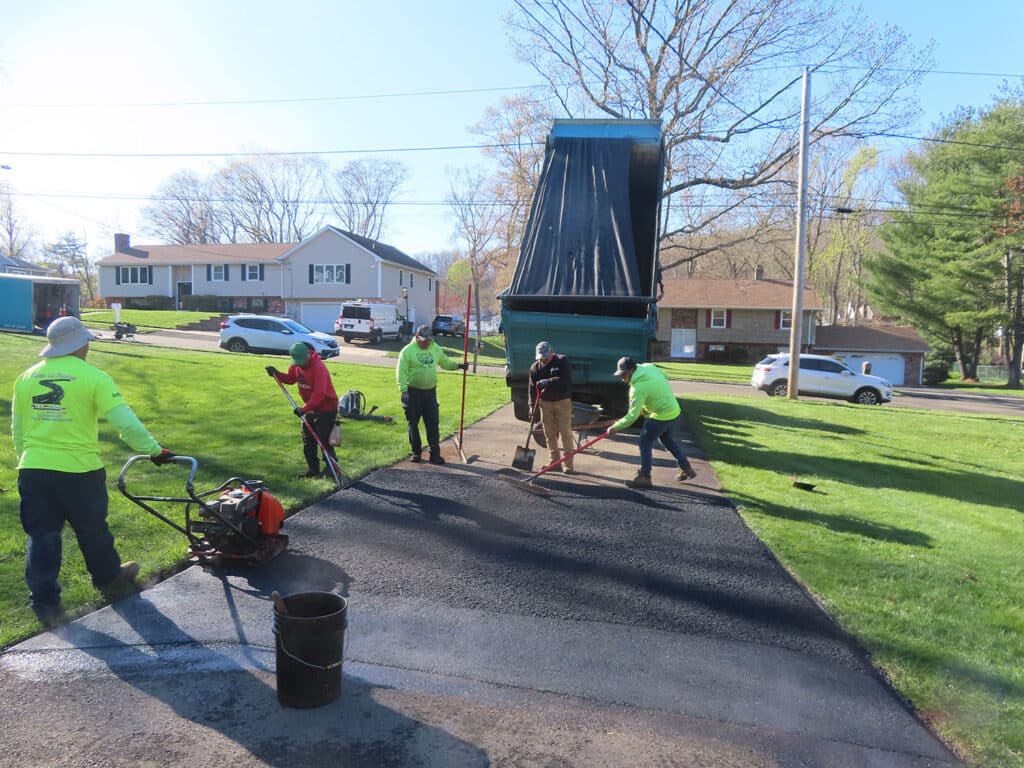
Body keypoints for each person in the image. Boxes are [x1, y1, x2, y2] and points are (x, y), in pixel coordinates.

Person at [11, 316, 174, 628]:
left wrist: (27, 460)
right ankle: (109, 577)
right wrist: (155, 451)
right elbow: (124, 423)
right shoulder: (93, 377)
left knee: (42, 537)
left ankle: (46, 605)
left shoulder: (27, 377)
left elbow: (18, 430)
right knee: (92, 529)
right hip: (80, 472)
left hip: (33, 470)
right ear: (79, 344)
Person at [605, 356, 696, 489]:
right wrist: (649, 403)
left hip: (661, 415)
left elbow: (632, 416)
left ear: (631, 371)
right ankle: (686, 468)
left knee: (644, 442)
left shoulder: (637, 388)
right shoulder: (649, 367)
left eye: (623, 375)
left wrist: (616, 427)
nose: (622, 378)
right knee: (666, 440)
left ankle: (645, 477)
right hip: (674, 409)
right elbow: (664, 376)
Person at [266, 342, 339, 479]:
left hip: (327, 407)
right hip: (311, 407)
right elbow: (290, 379)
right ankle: (313, 470)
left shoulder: (319, 368)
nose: (299, 365)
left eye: (301, 361)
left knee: (323, 438)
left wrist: (304, 409)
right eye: (296, 362)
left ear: (307, 355)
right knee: (307, 438)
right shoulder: (296, 365)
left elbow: (319, 393)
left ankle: (332, 468)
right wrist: (276, 373)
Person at [396, 324, 468, 465]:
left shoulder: (435, 349)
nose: (426, 342)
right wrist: (403, 390)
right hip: (412, 392)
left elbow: (445, 362)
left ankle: (435, 454)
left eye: (428, 340)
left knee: (433, 423)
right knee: (413, 423)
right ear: (417, 337)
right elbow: (401, 372)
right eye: (423, 340)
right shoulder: (407, 351)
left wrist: (458, 365)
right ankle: (416, 452)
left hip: (430, 393)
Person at [529, 341, 576, 474]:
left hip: (563, 402)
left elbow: (566, 380)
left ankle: (568, 465)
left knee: (565, 433)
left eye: (546, 355)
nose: (544, 359)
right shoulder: (535, 368)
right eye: (541, 356)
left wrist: (548, 382)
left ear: (551, 352)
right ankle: (554, 461)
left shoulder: (562, 361)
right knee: (549, 434)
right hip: (545, 404)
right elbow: (531, 388)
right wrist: (531, 406)